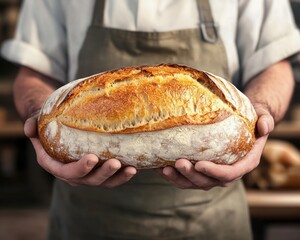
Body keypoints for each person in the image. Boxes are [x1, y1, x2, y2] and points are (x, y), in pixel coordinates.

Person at [1, 0, 300, 239]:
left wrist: (260, 112)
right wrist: (38, 114)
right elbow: (33, 73)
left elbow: (274, 65)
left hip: (212, 221)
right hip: (86, 218)